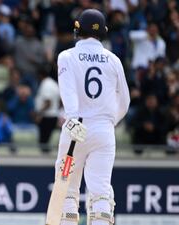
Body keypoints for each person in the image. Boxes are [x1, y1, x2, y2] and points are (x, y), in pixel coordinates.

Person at [52, 9, 130, 225]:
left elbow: (69, 96)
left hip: (75, 127)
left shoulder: (66, 56)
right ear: (103, 32)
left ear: (77, 30)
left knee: (68, 187)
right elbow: (125, 101)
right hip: (104, 131)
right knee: (101, 190)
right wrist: (107, 122)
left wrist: (74, 121)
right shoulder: (113, 60)